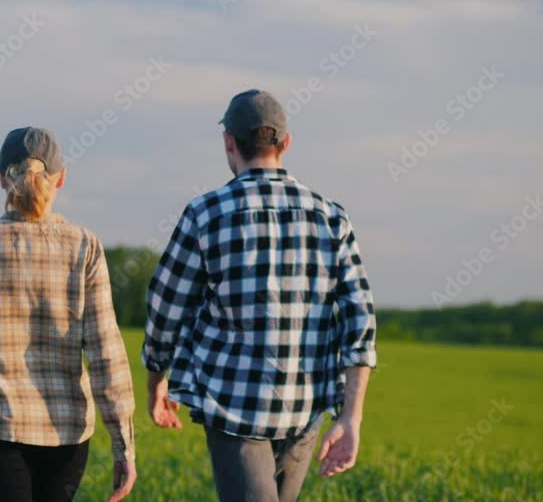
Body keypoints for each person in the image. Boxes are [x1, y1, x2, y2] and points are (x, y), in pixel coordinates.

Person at [142, 90, 378, 502]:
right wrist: (351, 418)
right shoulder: (331, 217)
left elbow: (166, 307)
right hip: (305, 408)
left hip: (232, 407)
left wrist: (155, 381)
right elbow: (360, 324)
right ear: (285, 144)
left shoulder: (205, 213)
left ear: (229, 143)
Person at [0, 126, 138, 502]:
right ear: (62, 178)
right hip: (65, 434)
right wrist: (124, 446)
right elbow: (107, 353)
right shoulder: (85, 246)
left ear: (2, 177)